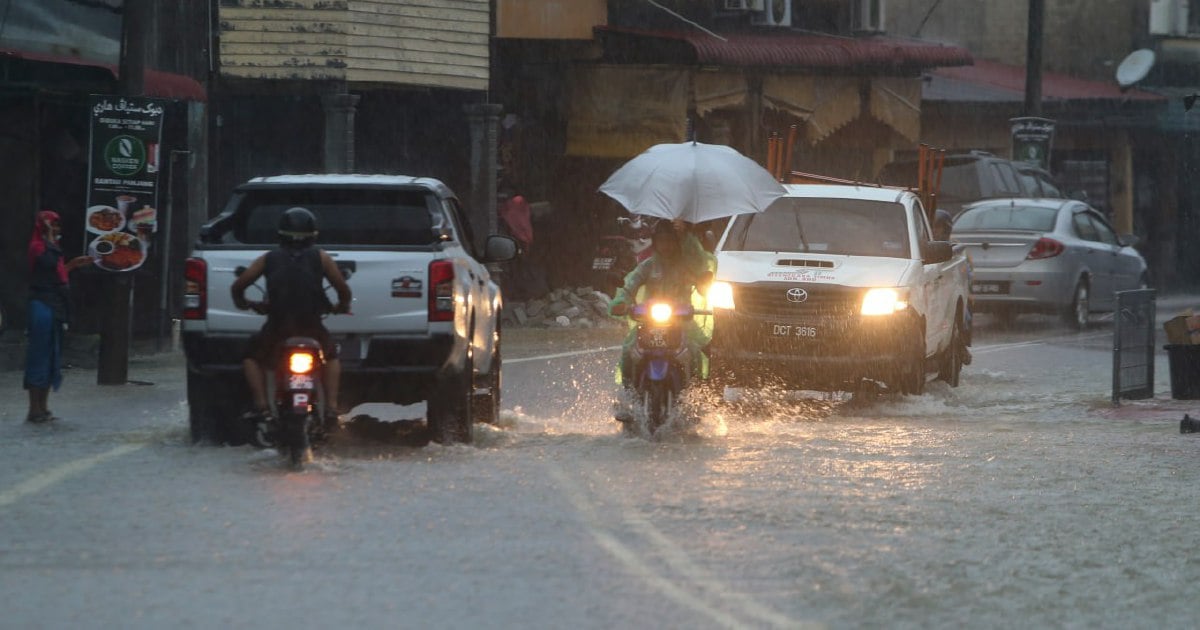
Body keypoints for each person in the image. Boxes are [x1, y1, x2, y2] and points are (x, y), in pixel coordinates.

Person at [231, 207, 352, 434]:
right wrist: (342, 306)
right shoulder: (322, 257)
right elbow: (342, 289)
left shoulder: (268, 258)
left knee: (250, 357)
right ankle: (332, 410)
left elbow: (239, 286)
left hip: (278, 328)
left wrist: (244, 303)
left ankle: (262, 408)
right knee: (333, 356)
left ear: (280, 234)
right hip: (312, 326)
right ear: (313, 234)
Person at [608, 219, 715, 417]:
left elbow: (701, 280)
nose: (666, 246)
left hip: (683, 324)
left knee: (699, 352)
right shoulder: (647, 266)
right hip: (649, 322)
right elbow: (629, 287)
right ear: (655, 242)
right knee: (628, 350)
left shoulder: (686, 264)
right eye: (661, 241)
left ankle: (696, 399)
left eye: (670, 240)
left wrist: (703, 280)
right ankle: (629, 397)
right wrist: (620, 303)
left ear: (677, 242)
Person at [24, 209, 93, 423]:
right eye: (52, 225)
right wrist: (49, 235)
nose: (56, 230)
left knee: (52, 355)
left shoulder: (52, 249)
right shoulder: (37, 247)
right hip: (42, 306)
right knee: (39, 355)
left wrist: (72, 265)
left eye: (57, 226)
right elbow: (47, 262)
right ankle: (34, 409)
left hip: (55, 305)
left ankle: (43, 407)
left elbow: (58, 274)